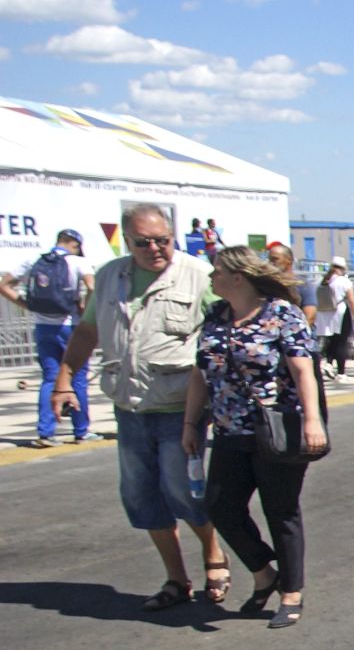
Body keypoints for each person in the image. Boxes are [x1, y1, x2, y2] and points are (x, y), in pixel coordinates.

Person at [51, 204, 231, 610]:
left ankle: (213, 553)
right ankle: (176, 579)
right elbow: (87, 331)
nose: (155, 248)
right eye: (143, 242)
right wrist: (64, 380)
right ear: (126, 241)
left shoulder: (200, 275)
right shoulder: (110, 276)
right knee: (142, 497)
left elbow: (225, 332)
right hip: (129, 404)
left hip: (178, 405)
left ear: (173, 236)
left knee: (183, 491)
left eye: (162, 240)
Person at [183, 247, 326, 629]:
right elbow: (200, 374)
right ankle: (265, 573)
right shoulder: (216, 316)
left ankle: (291, 592)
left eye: (216, 272)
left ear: (237, 277)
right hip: (229, 430)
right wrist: (190, 425)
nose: (211, 279)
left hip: (276, 429)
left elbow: (303, 370)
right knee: (220, 506)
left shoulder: (282, 315)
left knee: (281, 511)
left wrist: (313, 421)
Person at [2, 227, 95, 447]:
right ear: (76, 244)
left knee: (50, 378)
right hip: (70, 326)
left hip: (43, 326)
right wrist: (84, 309)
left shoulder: (34, 260)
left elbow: (4, 285)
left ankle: (46, 433)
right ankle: (81, 431)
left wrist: (27, 305)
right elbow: (92, 286)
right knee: (77, 378)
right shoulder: (77, 262)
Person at [312, 256, 354, 379]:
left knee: (330, 341)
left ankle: (328, 363)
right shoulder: (344, 281)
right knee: (341, 342)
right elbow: (352, 300)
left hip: (324, 315)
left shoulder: (322, 280)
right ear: (342, 268)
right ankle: (341, 372)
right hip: (341, 314)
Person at [263, 242, 318, 331]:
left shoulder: (303, 285)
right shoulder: (267, 286)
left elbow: (310, 316)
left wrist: (295, 335)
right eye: (269, 259)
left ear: (288, 260)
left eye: (275, 259)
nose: (270, 263)